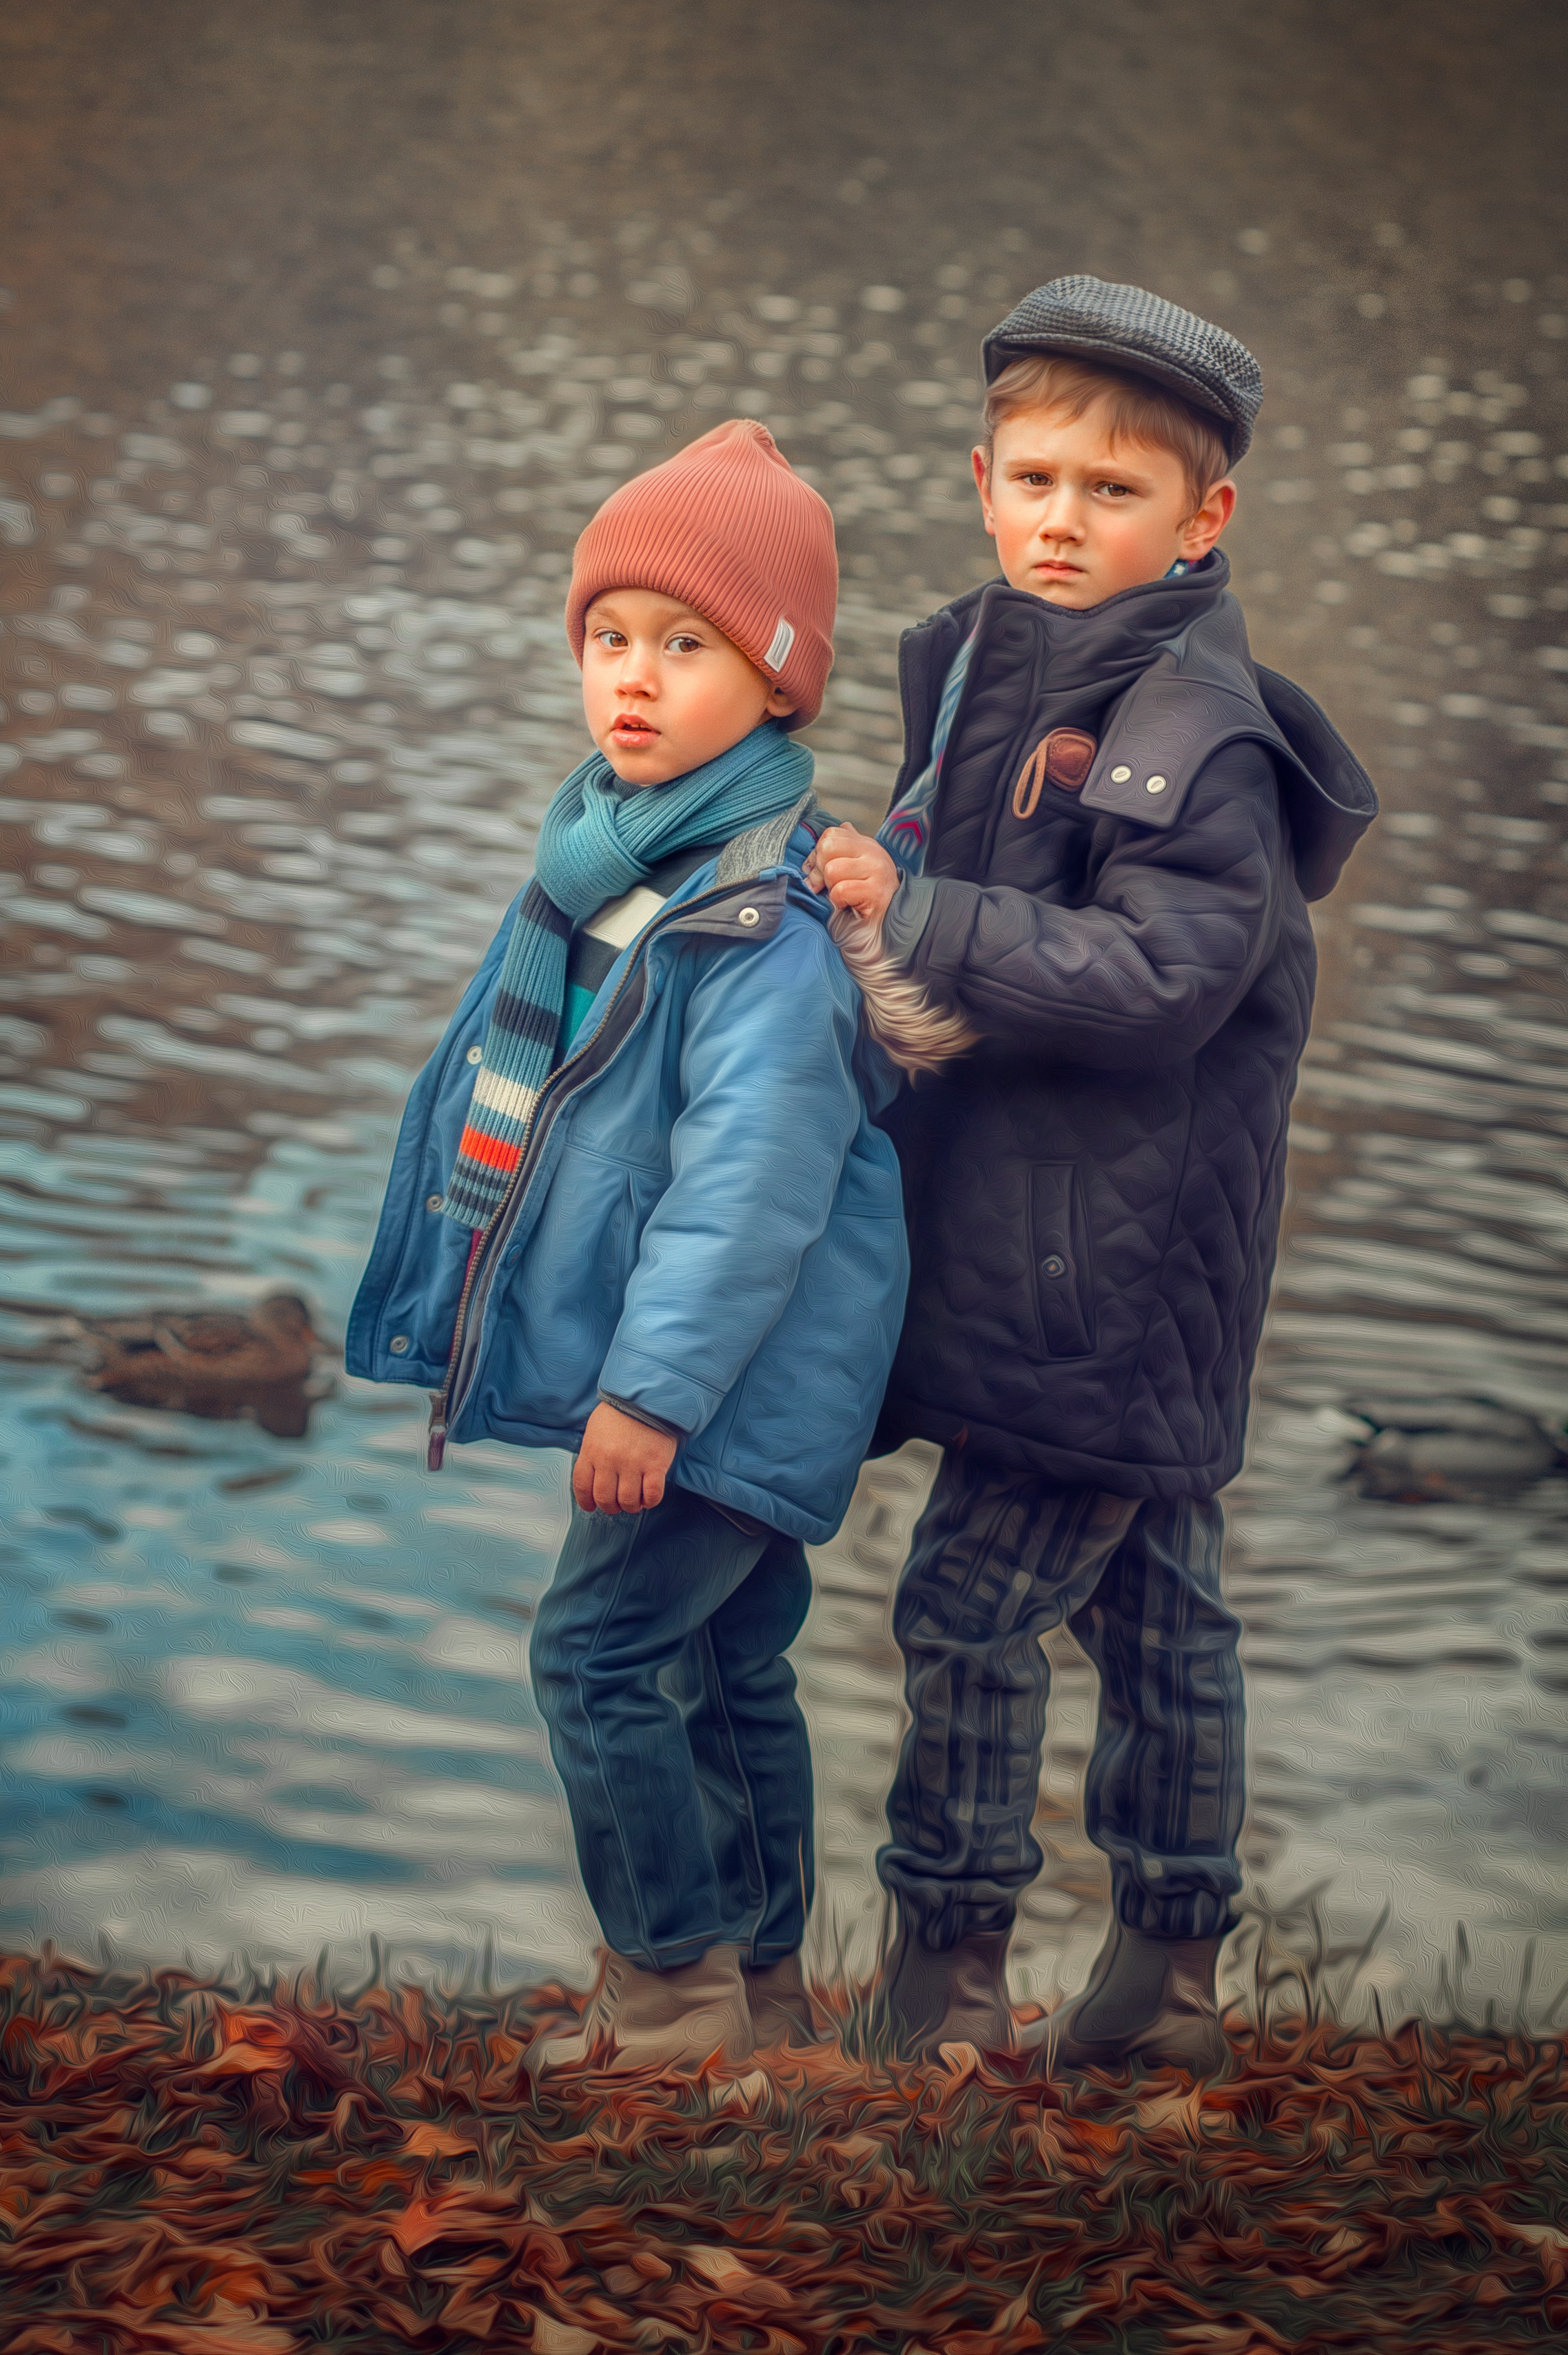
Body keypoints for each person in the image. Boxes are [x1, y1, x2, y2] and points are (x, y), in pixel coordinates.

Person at [806, 276, 1378, 2072]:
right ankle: (1169, 1983)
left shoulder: (1190, 735)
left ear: (1202, 519)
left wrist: (924, 918)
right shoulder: (991, 671)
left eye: (1112, 492)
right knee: (1158, 1607)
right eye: (1036, 480)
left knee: (962, 1610)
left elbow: (1162, 982)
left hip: (1105, 1278)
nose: (1063, 519)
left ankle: (945, 1979)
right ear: (981, 484)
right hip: (1071, 1252)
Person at [347, 420, 944, 2074]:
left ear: (776, 681)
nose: (631, 674)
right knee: (726, 1661)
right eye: (607, 635)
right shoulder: (603, 867)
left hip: (723, 1374)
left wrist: (650, 1395)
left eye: (686, 645)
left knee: (596, 1652)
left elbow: (747, 1190)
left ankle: (669, 1996)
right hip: (715, 1371)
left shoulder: (763, 921)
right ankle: (758, 2000)